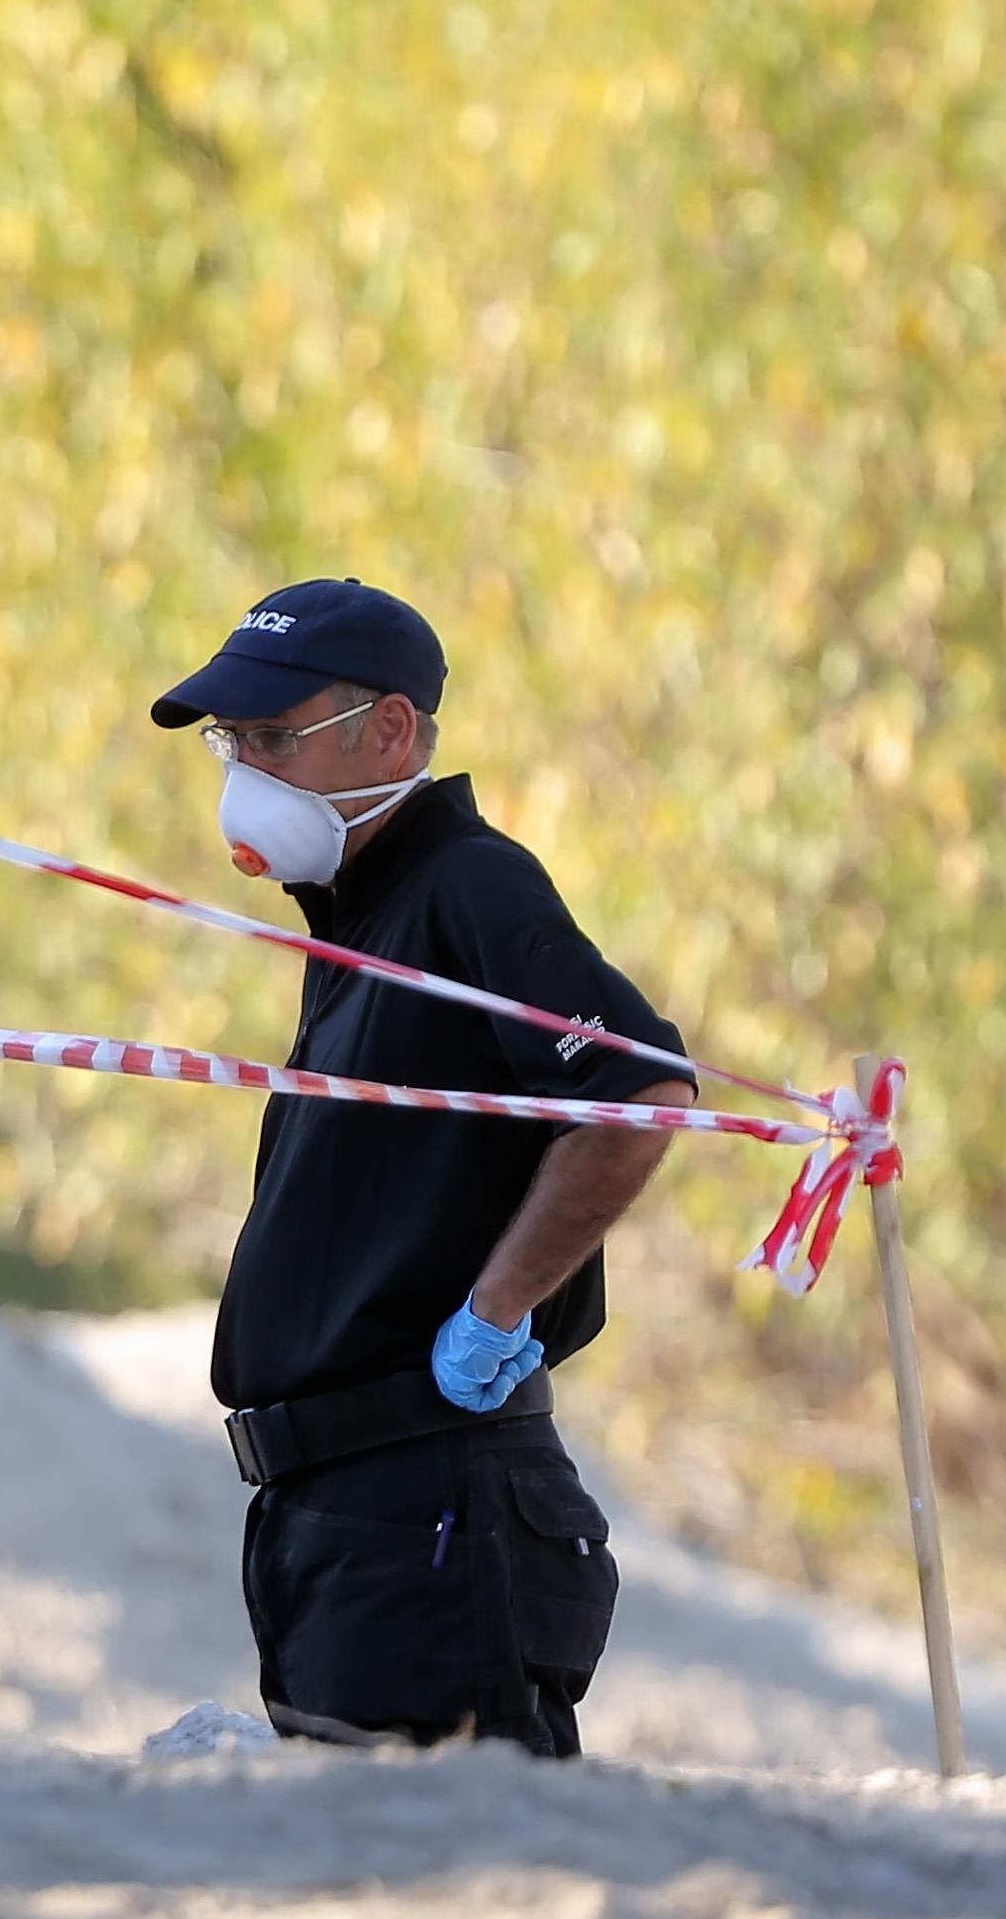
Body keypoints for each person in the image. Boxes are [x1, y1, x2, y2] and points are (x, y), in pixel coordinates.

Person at [150, 578, 696, 1756]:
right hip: (341, 1515)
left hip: (436, 1501)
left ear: (388, 730)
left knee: (454, 1858)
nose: (242, 772)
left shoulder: (465, 882)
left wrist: (495, 1308)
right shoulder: (357, 913)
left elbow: (636, 1093)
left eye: (271, 737)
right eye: (229, 742)